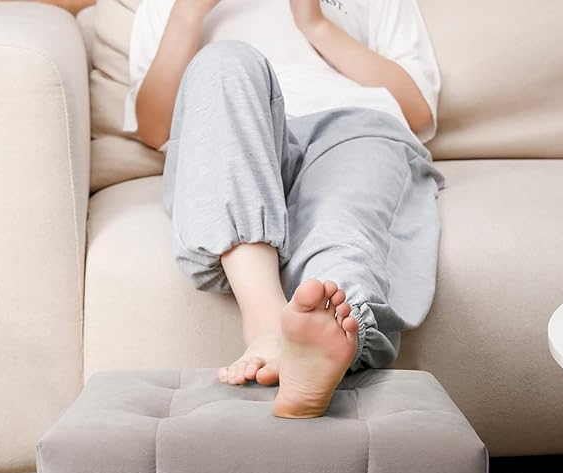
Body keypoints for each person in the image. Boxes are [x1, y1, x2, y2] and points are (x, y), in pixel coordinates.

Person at [123, 0, 446, 419]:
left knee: (343, 223)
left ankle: (327, 342)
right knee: (223, 60)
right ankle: (268, 325)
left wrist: (314, 23)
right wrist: (188, 13)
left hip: (354, 127)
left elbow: (417, 109)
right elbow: (153, 127)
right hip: (238, 132)